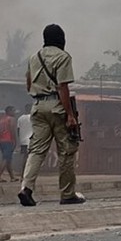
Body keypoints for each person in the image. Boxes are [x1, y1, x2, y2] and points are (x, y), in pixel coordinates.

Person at [19, 24, 85, 206]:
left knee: (36, 150)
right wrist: (70, 115)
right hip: (57, 107)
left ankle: (26, 188)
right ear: (61, 39)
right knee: (66, 151)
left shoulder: (34, 57)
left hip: (38, 106)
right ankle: (67, 194)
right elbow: (63, 87)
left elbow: (28, 84)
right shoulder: (63, 57)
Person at [0, 106, 18, 182]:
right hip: (8, 140)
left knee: (8, 159)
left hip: (2, 140)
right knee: (6, 158)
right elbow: (12, 130)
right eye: (13, 111)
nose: (14, 113)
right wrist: (15, 140)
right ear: (9, 111)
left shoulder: (2, 120)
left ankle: (12, 177)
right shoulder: (11, 119)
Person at [16, 106, 32, 178]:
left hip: (23, 140)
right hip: (32, 140)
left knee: (25, 158)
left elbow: (18, 130)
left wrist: (20, 139)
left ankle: (23, 175)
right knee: (31, 158)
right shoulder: (33, 117)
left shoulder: (20, 118)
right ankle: (27, 175)